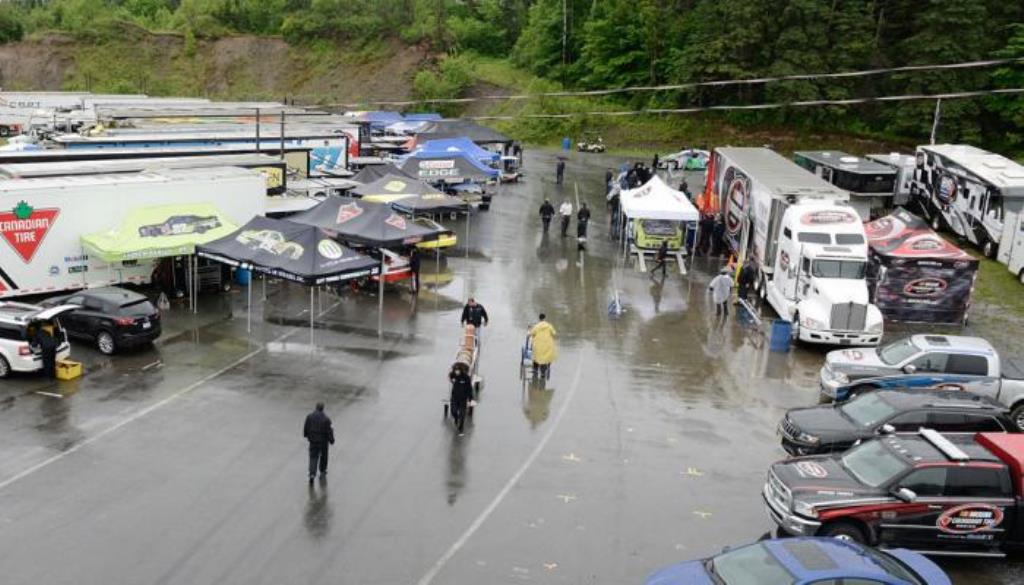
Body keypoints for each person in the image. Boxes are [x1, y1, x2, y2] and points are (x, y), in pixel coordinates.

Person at [303, 402, 335, 482]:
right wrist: (331, 440)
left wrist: (306, 435)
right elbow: (329, 431)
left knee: (313, 457)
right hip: (323, 442)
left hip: (313, 441)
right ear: (323, 408)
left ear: (316, 407)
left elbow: (306, 427)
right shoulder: (326, 419)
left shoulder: (310, 417)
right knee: (323, 456)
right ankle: (322, 471)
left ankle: (312, 473)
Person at [529, 313, 557, 379]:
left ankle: (535, 370)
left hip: (538, 344)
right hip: (547, 345)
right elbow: (554, 333)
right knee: (544, 358)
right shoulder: (549, 326)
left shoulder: (536, 326)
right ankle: (543, 373)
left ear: (539, 318)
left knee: (536, 357)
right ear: (545, 318)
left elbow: (531, 333)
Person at [449, 363, 473, 435]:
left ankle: (461, 426)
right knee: (453, 411)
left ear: (461, 370)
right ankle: (456, 418)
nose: (457, 372)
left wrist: (470, 397)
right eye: (456, 370)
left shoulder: (466, 378)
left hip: (463, 398)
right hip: (454, 397)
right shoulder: (454, 376)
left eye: (458, 370)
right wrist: (453, 371)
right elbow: (450, 375)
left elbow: (469, 388)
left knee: (462, 414)